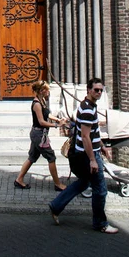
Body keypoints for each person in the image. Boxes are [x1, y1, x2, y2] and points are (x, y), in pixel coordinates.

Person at [48, 77, 119, 234]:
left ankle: (56, 205)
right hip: (88, 156)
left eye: (101, 90)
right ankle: (100, 223)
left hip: (87, 153)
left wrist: (101, 146)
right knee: (100, 190)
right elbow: (86, 137)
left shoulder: (89, 106)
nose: (99, 92)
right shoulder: (87, 109)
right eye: (96, 90)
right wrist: (93, 160)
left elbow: (92, 133)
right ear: (88, 90)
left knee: (83, 183)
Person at [14, 80, 68, 191]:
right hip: (39, 135)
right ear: (42, 91)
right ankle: (57, 184)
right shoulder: (36, 104)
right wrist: (57, 125)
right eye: (47, 89)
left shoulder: (42, 101)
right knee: (51, 157)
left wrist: (58, 119)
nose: (49, 91)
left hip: (38, 134)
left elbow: (47, 114)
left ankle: (19, 179)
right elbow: (42, 122)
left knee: (32, 157)